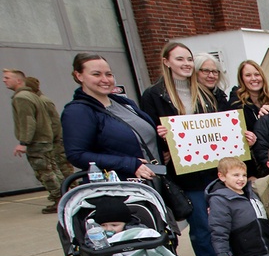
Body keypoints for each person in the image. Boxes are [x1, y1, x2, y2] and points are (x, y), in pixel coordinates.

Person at [140, 41, 240, 256]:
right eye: (179, 59)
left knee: (226, 223)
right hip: (186, 174)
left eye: (188, 59)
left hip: (215, 169)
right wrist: (159, 133)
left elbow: (226, 125)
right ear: (166, 61)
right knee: (202, 225)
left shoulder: (208, 93)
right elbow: (147, 134)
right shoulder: (154, 95)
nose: (185, 64)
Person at [61, 53, 162, 183]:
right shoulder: (78, 111)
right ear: (79, 76)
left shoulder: (125, 104)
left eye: (108, 74)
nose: (105, 79)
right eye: (96, 74)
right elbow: (77, 155)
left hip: (153, 182)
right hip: (121, 188)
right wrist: (128, 164)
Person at [3, 68, 62, 212]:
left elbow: (28, 121)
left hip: (37, 142)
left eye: (7, 78)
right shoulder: (32, 95)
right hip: (44, 140)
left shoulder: (21, 97)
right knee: (53, 169)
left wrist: (24, 142)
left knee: (45, 172)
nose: (4, 80)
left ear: (18, 80)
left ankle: (58, 200)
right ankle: (64, 195)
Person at [228, 60, 269, 177]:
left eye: (257, 74)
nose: (254, 78)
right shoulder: (236, 105)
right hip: (251, 166)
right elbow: (233, 141)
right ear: (242, 79)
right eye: (248, 75)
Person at [24, 76, 75, 177]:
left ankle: (72, 188)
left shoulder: (43, 101)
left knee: (63, 166)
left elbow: (55, 122)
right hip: (51, 140)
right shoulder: (37, 100)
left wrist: (53, 139)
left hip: (55, 141)